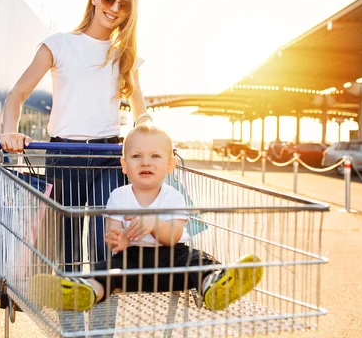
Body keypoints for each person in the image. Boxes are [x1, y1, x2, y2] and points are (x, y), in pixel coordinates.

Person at [0, 0, 151, 270]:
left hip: (108, 156)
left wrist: (148, 127)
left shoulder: (124, 55)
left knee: (103, 245)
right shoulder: (59, 44)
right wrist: (10, 132)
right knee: (65, 251)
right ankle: (69, 314)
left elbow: (139, 109)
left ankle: (104, 315)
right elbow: (17, 94)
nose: (114, 8)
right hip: (65, 156)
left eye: (124, 4)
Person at [30, 125, 264, 311]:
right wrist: (118, 240)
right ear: (124, 165)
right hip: (133, 264)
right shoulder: (118, 196)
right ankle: (85, 291)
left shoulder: (173, 196)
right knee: (107, 269)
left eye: (155, 156)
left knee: (199, 260)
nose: (146, 162)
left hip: (173, 262)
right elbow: (112, 236)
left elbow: (173, 237)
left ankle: (213, 286)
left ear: (170, 165)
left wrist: (154, 224)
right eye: (136, 156)